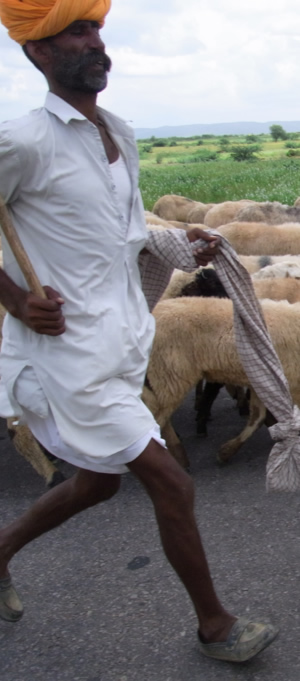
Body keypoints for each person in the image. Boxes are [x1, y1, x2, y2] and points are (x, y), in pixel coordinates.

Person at [0, 0, 278, 663]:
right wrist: (15, 299)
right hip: (65, 356)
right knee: (172, 481)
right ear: (37, 51)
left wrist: (184, 240)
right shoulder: (22, 142)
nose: (95, 41)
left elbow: (125, 237)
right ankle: (217, 626)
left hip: (123, 341)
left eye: (96, 28)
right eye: (75, 30)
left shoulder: (118, 133)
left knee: (97, 482)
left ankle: (1, 549)